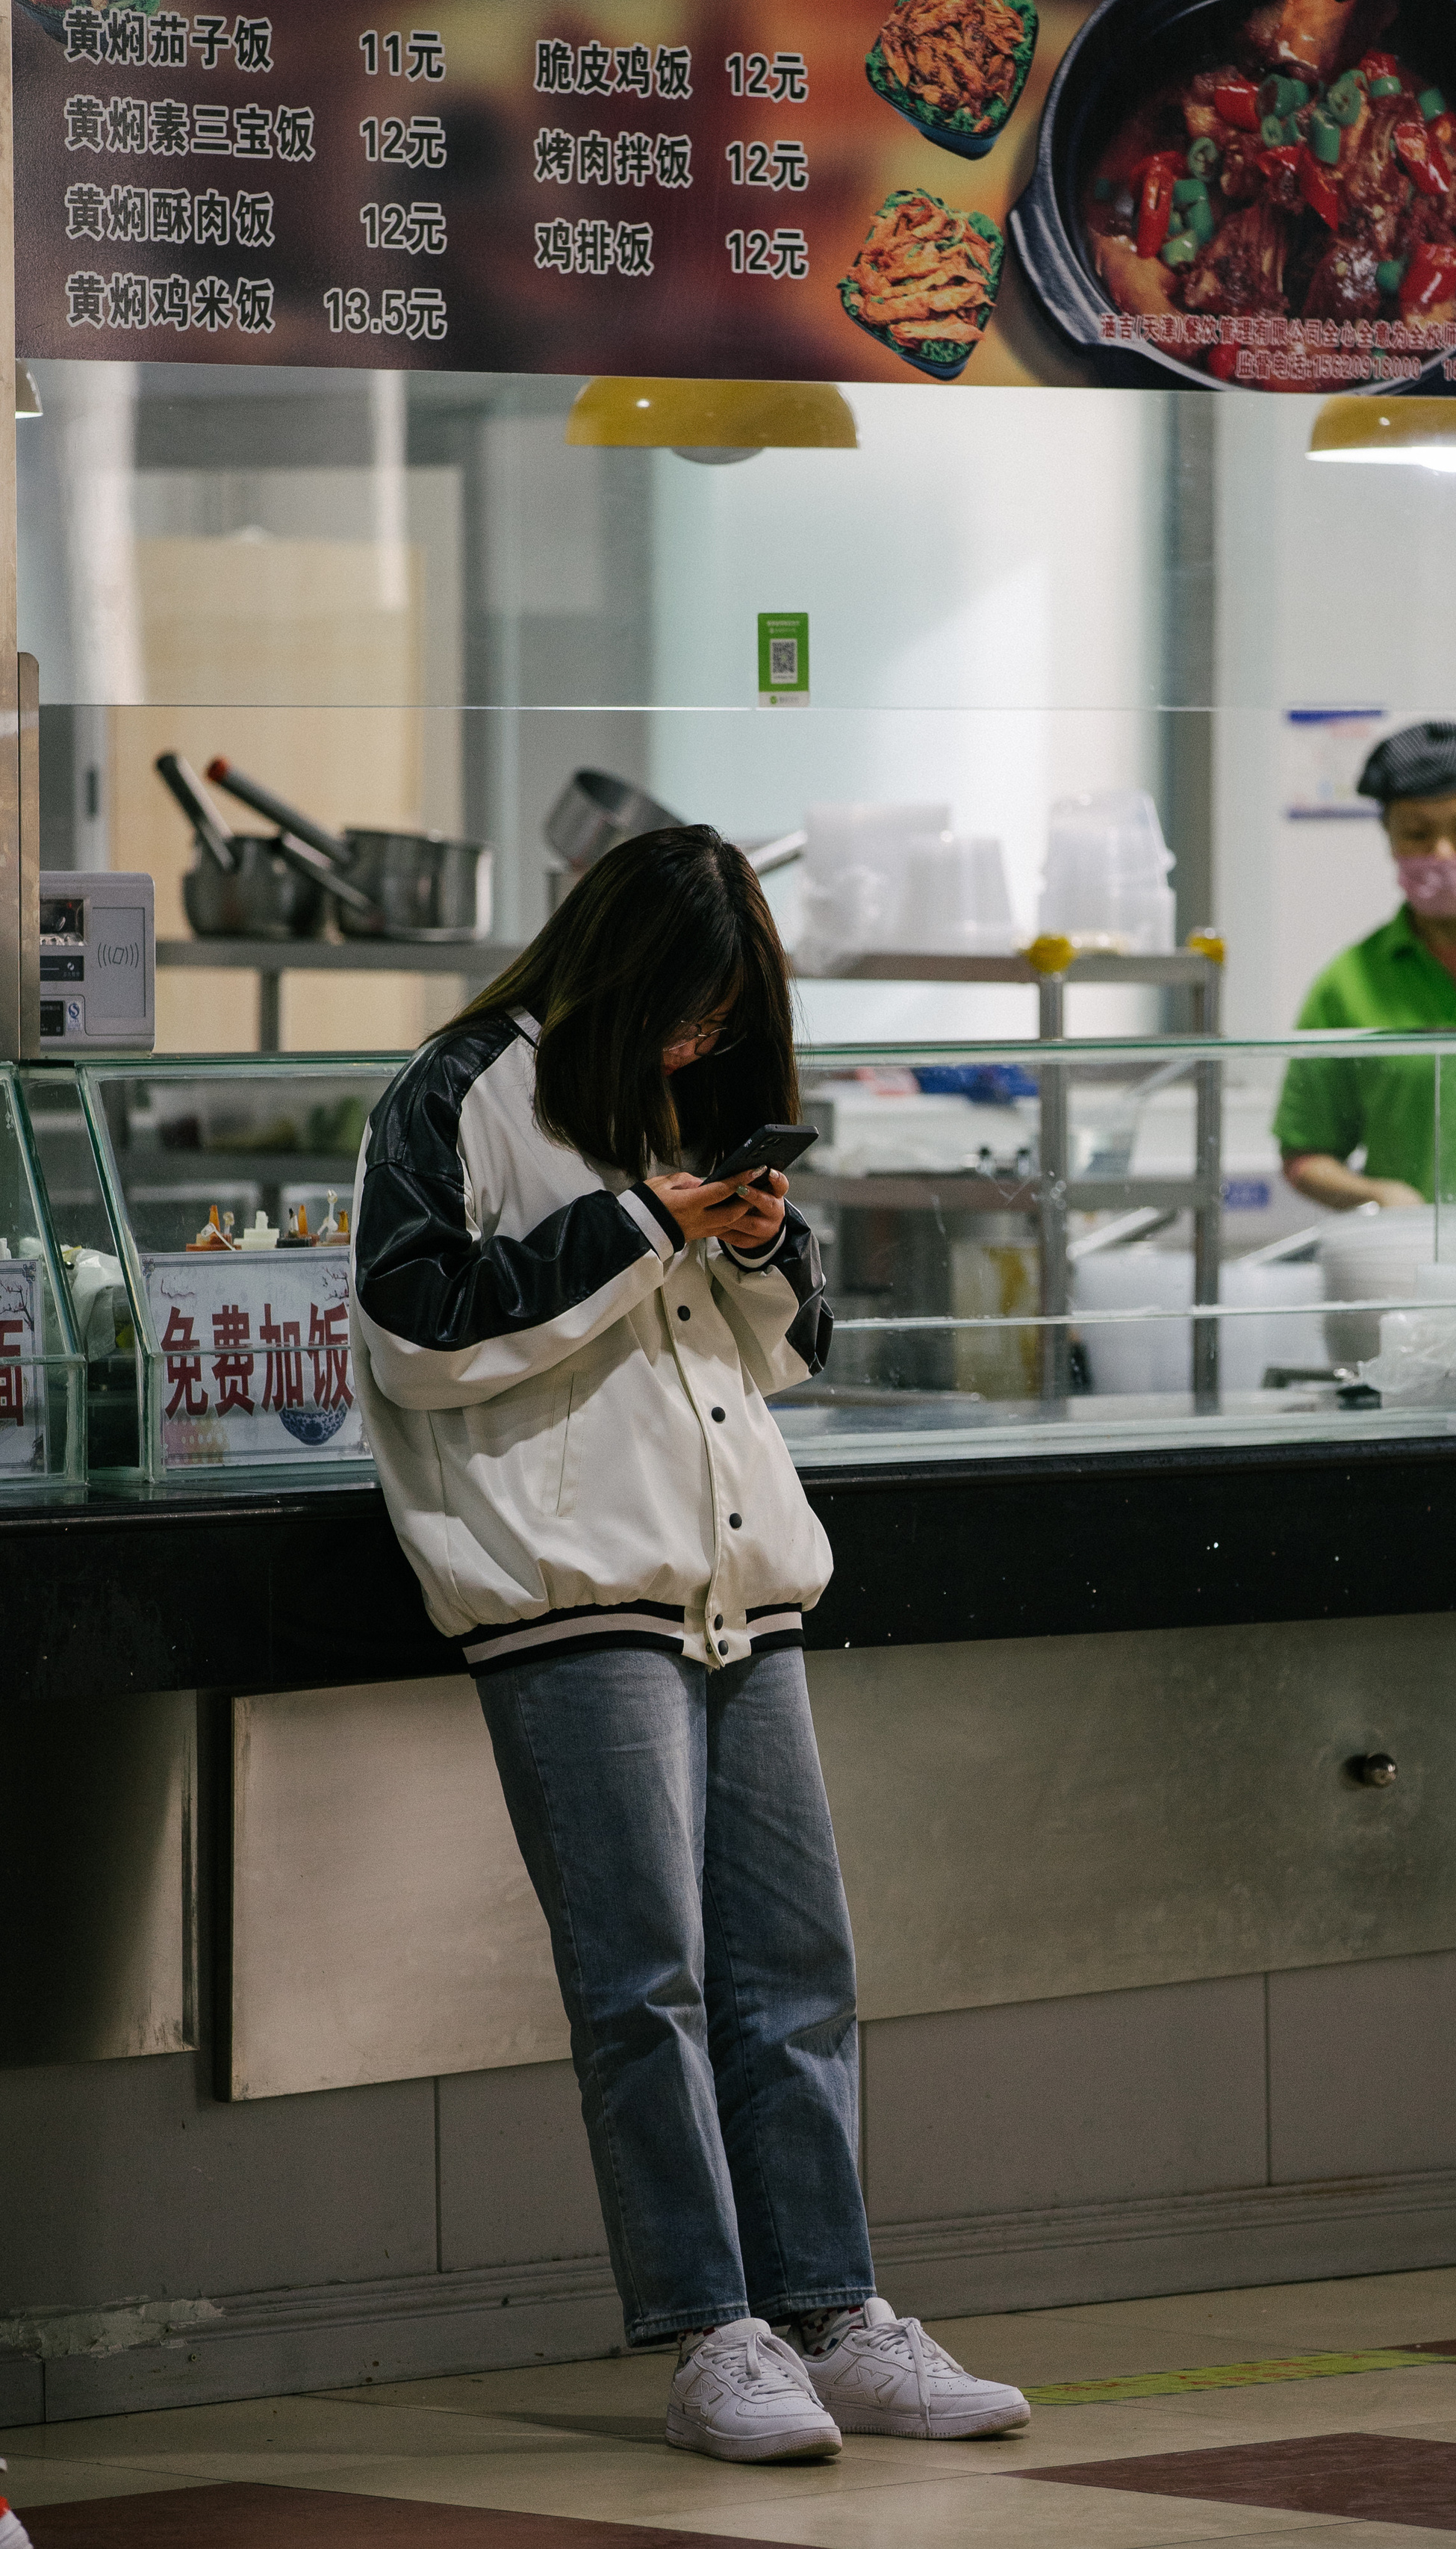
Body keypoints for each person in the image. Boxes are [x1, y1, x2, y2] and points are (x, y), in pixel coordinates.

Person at [348, 825, 1030, 2466]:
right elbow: (412, 1325)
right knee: (643, 1982)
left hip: (744, 1580)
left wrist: (752, 1243)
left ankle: (832, 2309)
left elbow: (778, 1357)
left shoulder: (678, 1110)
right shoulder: (454, 1088)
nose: (695, 1044)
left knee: (800, 1973)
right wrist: (645, 1225)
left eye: (720, 1019)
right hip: (568, 1591)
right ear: (613, 965)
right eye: (680, 1008)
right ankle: (708, 2330)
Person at [1274, 718, 1456, 1211]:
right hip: (1410, 1267)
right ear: (1388, 833)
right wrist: (1374, 1195)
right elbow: (1304, 1152)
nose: (1443, 854)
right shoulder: (1348, 986)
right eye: (1417, 834)